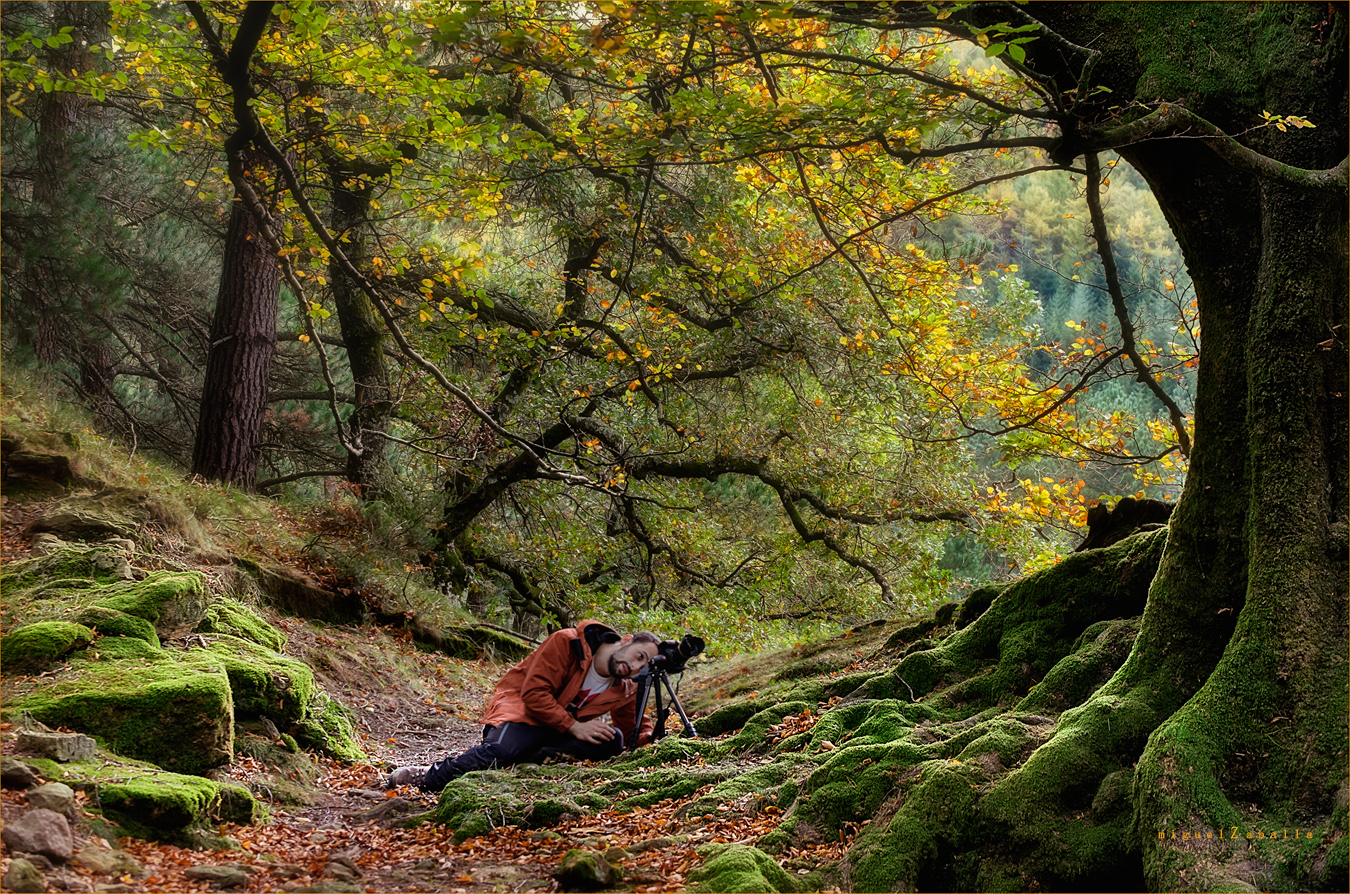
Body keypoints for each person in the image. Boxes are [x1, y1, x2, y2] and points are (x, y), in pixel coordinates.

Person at [387, 619, 660, 792]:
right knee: (500, 751)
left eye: (643, 665)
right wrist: (574, 726)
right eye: (638, 656)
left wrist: (653, 742)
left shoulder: (628, 684)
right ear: (626, 640)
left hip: (556, 731)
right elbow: (534, 694)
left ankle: (526, 760)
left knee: (613, 740)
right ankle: (427, 776)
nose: (634, 667)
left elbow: (633, 729)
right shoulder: (569, 642)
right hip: (523, 712)